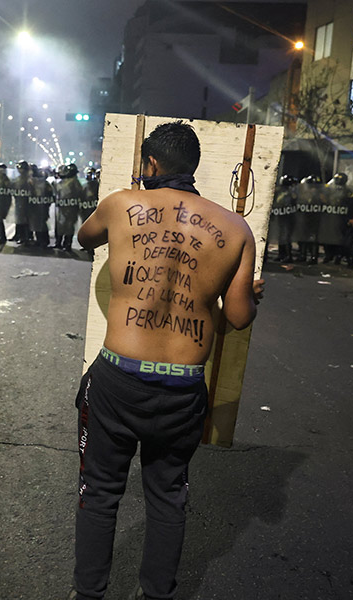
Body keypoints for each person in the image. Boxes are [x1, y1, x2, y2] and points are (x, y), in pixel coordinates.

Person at [74, 121, 264, 600]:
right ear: (194, 167)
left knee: (100, 493)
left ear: (151, 164)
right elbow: (239, 318)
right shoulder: (236, 230)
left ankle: (89, 593)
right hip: (182, 389)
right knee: (167, 497)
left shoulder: (122, 204)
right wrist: (251, 294)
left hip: (118, 378)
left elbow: (84, 237)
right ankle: (156, 594)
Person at [55, 163, 82, 251]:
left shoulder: (74, 182)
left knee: (69, 225)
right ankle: (59, 243)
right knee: (61, 225)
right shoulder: (60, 182)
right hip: (62, 207)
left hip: (71, 207)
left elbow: (78, 193)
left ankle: (67, 244)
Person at [0, 162, 12, 245]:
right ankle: (1, 237)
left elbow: (8, 191)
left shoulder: (5, 180)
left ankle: (2, 237)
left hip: (3, 202)